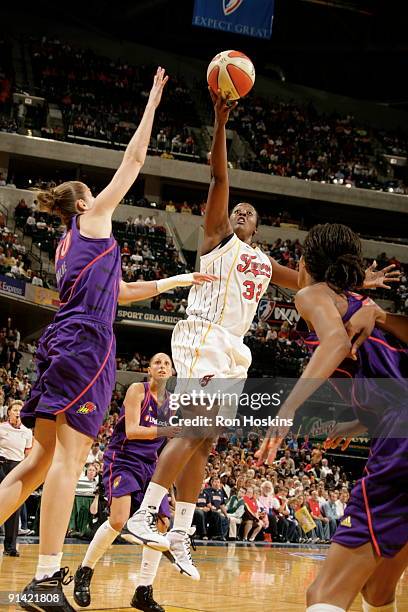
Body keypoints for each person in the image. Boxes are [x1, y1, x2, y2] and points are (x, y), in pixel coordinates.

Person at [125, 91, 397, 580]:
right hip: (203, 335)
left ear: (261, 226)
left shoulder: (263, 262)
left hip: (235, 351)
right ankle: (146, 513)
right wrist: (220, 122)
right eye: (237, 211)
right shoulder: (215, 239)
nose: (241, 213)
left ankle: (181, 531)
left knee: (205, 441)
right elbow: (219, 177)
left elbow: (312, 283)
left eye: (249, 213)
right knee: (193, 428)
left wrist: (361, 281)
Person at [0, 68, 213, 611]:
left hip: (61, 342)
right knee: (70, 460)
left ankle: (45, 575)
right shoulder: (94, 218)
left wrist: (180, 280)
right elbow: (135, 162)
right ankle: (47, 578)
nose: (102, 198)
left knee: (37, 465)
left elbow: (121, 291)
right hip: (87, 345)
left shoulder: (68, 246)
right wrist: (154, 99)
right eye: (95, 196)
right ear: (83, 203)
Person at [256, 223, 408, 612]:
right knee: (377, 591)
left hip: (399, 437)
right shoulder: (358, 306)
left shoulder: (313, 295)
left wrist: (286, 409)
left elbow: (337, 344)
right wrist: (358, 423)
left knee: (322, 596)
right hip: (393, 422)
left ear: (305, 262)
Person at [74, 353, 178, 612]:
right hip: (123, 458)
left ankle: (143, 591)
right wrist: (166, 430)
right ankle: (84, 570)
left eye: (167, 363)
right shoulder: (136, 390)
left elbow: (168, 451)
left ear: (173, 372)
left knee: (162, 525)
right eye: (157, 362)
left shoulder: (172, 404)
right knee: (118, 520)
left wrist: (171, 489)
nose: (162, 366)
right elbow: (132, 430)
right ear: (149, 369)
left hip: (151, 467)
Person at [0, 401, 32, 556]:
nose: (18, 412)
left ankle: (10, 547)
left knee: (14, 505)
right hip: (1, 465)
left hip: (17, 467)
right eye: (15, 410)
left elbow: (28, 455)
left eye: (21, 410)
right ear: (9, 412)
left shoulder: (27, 432)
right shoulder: (1, 428)